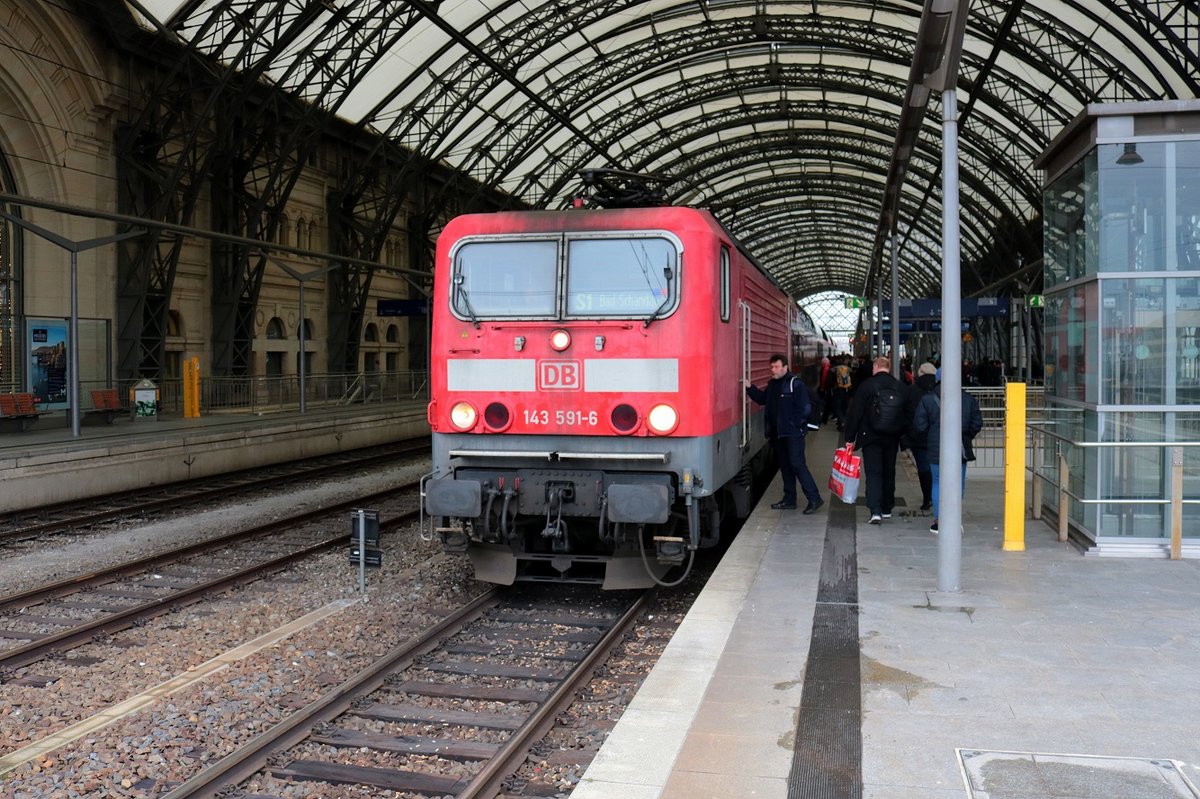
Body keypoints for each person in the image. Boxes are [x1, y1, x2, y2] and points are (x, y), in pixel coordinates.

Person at [744, 354, 824, 514]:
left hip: (793, 434)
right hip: (778, 434)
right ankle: (789, 499)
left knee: (797, 465)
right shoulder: (773, 385)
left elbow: (805, 408)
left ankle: (815, 498)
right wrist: (749, 388)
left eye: (776, 367)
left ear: (785, 367)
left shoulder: (795, 384)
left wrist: (795, 424)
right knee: (785, 467)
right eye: (771, 367)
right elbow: (762, 399)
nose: (773, 370)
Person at [913, 382, 984, 533]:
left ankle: (939, 520)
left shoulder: (927, 400)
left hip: (935, 449)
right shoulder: (968, 399)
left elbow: (919, 425)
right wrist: (966, 437)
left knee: (937, 484)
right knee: (958, 485)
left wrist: (931, 437)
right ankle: (954, 519)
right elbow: (977, 423)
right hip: (960, 448)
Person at [843, 356, 906, 524]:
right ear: (889, 368)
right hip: (892, 437)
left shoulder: (867, 386)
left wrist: (850, 438)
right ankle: (887, 507)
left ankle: (875, 510)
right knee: (889, 471)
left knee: (873, 472)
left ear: (876, 367)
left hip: (870, 436)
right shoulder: (899, 386)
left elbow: (855, 413)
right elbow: (905, 413)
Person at [903, 361, 939, 511]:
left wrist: (907, 435)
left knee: (923, 468)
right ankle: (938, 499)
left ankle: (927, 499)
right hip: (937, 437)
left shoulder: (911, 391)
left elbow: (905, 414)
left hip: (918, 437)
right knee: (936, 470)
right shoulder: (940, 390)